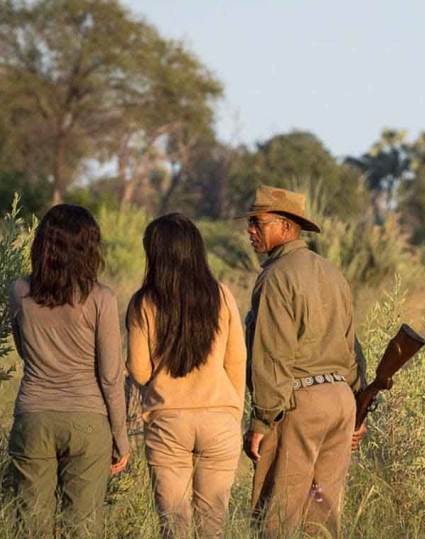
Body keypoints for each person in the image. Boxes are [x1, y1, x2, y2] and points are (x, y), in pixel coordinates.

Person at [240, 186, 367, 538]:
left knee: (277, 515)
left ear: (286, 226)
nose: (250, 229)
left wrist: (262, 421)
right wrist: (357, 408)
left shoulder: (275, 276)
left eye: (257, 222)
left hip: (299, 404)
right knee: (322, 516)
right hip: (340, 402)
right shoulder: (333, 273)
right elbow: (353, 348)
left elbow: (272, 356)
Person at [7, 204, 130, 537]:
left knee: (31, 523)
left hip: (33, 414)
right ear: (87, 247)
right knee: (84, 525)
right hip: (88, 420)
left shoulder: (19, 291)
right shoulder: (101, 298)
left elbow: (24, 351)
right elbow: (110, 376)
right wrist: (121, 435)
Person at [126, 213, 246, 538]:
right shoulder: (221, 295)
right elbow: (237, 361)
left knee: (174, 526)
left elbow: (139, 370)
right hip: (221, 420)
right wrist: (232, 410)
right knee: (213, 526)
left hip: (169, 422)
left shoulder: (144, 303)